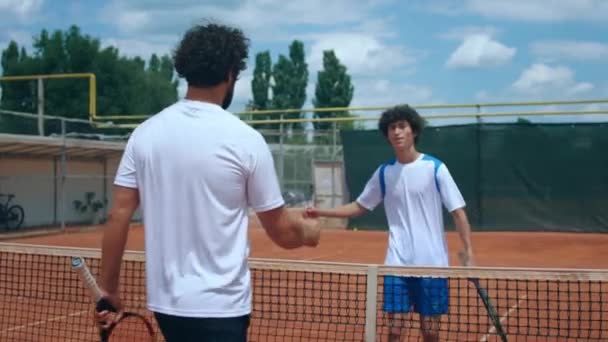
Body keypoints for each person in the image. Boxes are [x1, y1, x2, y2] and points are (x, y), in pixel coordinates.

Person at [95, 21, 321, 342]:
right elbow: (283, 232)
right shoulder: (246, 140)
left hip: (167, 307)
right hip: (222, 308)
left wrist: (110, 290)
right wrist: (309, 233)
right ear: (231, 73)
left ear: (185, 69)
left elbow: (117, 215)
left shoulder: (144, 134)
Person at [305, 104, 474, 342]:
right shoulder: (384, 173)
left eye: (402, 126)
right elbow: (359, 206)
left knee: (430, 331)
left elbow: (458, 212)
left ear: (413, 131)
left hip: (432, 265)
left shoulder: (435, 168)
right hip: (396, 264)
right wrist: (321, 211)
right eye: (392, 128)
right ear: (387, 135)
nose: (397, 132)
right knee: (394, 331)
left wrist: (469, 251)